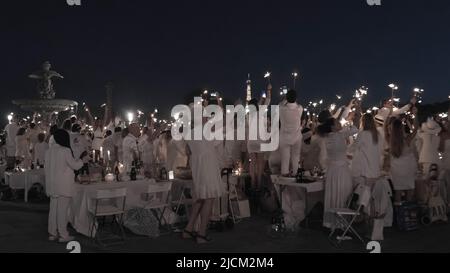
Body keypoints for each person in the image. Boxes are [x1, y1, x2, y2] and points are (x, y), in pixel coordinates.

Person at [183, 118, 223, 244]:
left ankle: (188, 230)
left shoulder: (190, 134)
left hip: (198, 168)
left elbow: (187, 151)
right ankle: (201, 234)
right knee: (209, 198)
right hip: (208, 168)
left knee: (201, 198)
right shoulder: (207, 131)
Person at [45, 129, 87, 243]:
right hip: (63, 185)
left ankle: (52, 233)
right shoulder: (65, 150)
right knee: (62, 211)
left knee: (53, 210)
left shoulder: (49, 151)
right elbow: (75, 166)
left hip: (52, 185)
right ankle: (63, 235)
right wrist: (82, 160)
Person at [317, 116, 358, 229]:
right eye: (337, 123)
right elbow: (355, 129)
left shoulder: (327, 138)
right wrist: (350, 121)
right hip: (342, 170)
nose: (339, 123)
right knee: (343, 194)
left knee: (333, 194)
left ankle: (330, 222)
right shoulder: (340, 135)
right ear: (333, 127)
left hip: (332, 170)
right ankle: (341, 223)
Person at [349, 113, 384, 185]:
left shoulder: (363, 134)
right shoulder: (378, 134)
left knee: (362, 194)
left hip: (365, 171)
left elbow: (353, 148)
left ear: (363, 122)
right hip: (375, 169)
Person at [389, 118, 418, 203]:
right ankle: (408, 212)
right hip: (408, 167)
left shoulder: (391, 140)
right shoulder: (407, 139)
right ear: (401, 128)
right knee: (410, 190)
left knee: (398, 191)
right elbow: (416, 129)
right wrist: (415, 115)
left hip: (396, 169)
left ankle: (398, 213)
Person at [279, 89, 303, 176]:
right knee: (296, 157)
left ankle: (284, 173)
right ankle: (295, 173)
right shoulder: (300, 108)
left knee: (285, 158)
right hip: (296, 136)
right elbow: (297, 104)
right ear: (296, 98)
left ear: (286, 97)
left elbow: (281, 103)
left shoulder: (281, 108)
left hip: (284, 137)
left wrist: (285, 98)